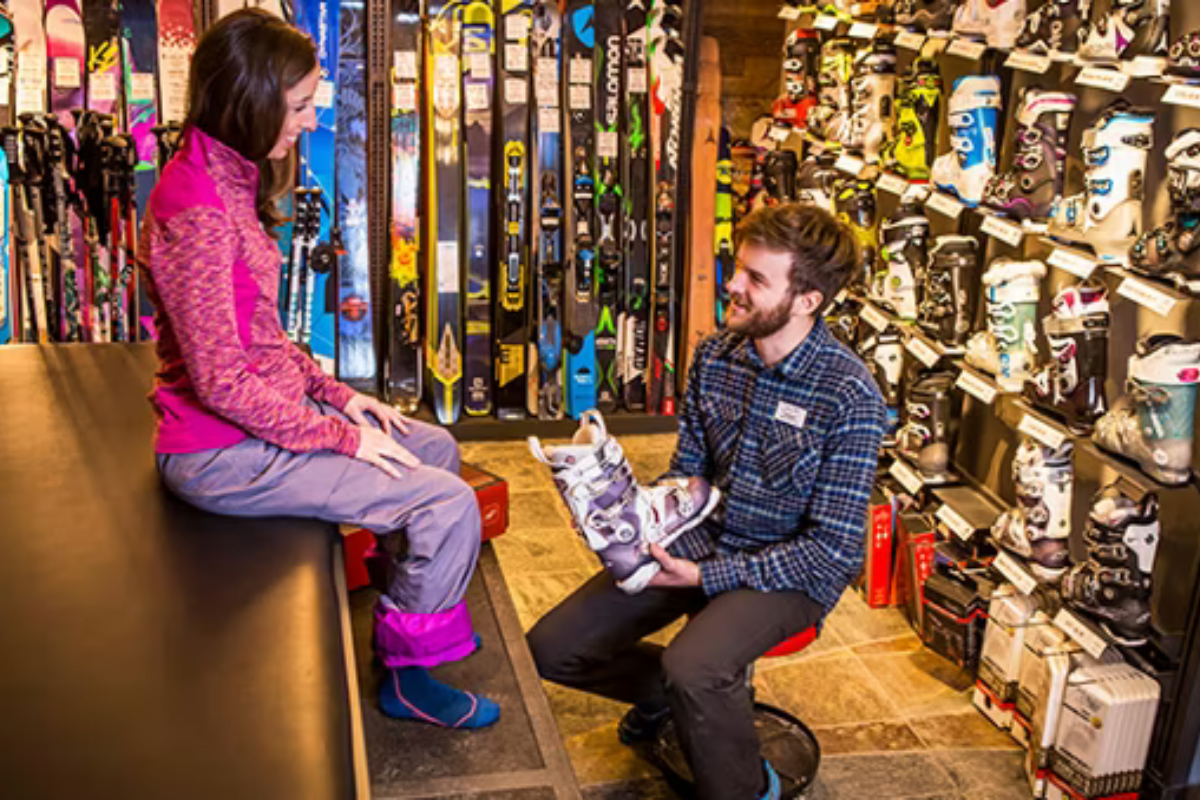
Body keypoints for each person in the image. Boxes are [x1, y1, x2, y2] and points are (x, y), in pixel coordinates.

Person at [142, 9, 498, 730]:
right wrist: (335, 435)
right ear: (250, 100)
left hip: (253, 423)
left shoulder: (230, 176)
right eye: (299, 106)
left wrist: (343, 399)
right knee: (446, 502)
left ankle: (409, 627)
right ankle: (406, 681)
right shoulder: (200, 209)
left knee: (433, 448)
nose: (308, 122)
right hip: (219, 454)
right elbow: (220, 380)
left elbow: (262, 340)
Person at [528, 203, 886, 798]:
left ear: (808, 301)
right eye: (737, 268)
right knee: (553, 648)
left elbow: (834, 550)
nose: (733, 285)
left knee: (694, 666)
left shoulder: (849, 396)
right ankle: (668, 701)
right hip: (702, 538)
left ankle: (751, 787)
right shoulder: (715, 358)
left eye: (755, 279)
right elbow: (686, 476)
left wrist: (707, 574)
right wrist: (621, 518)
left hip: (788, 572)